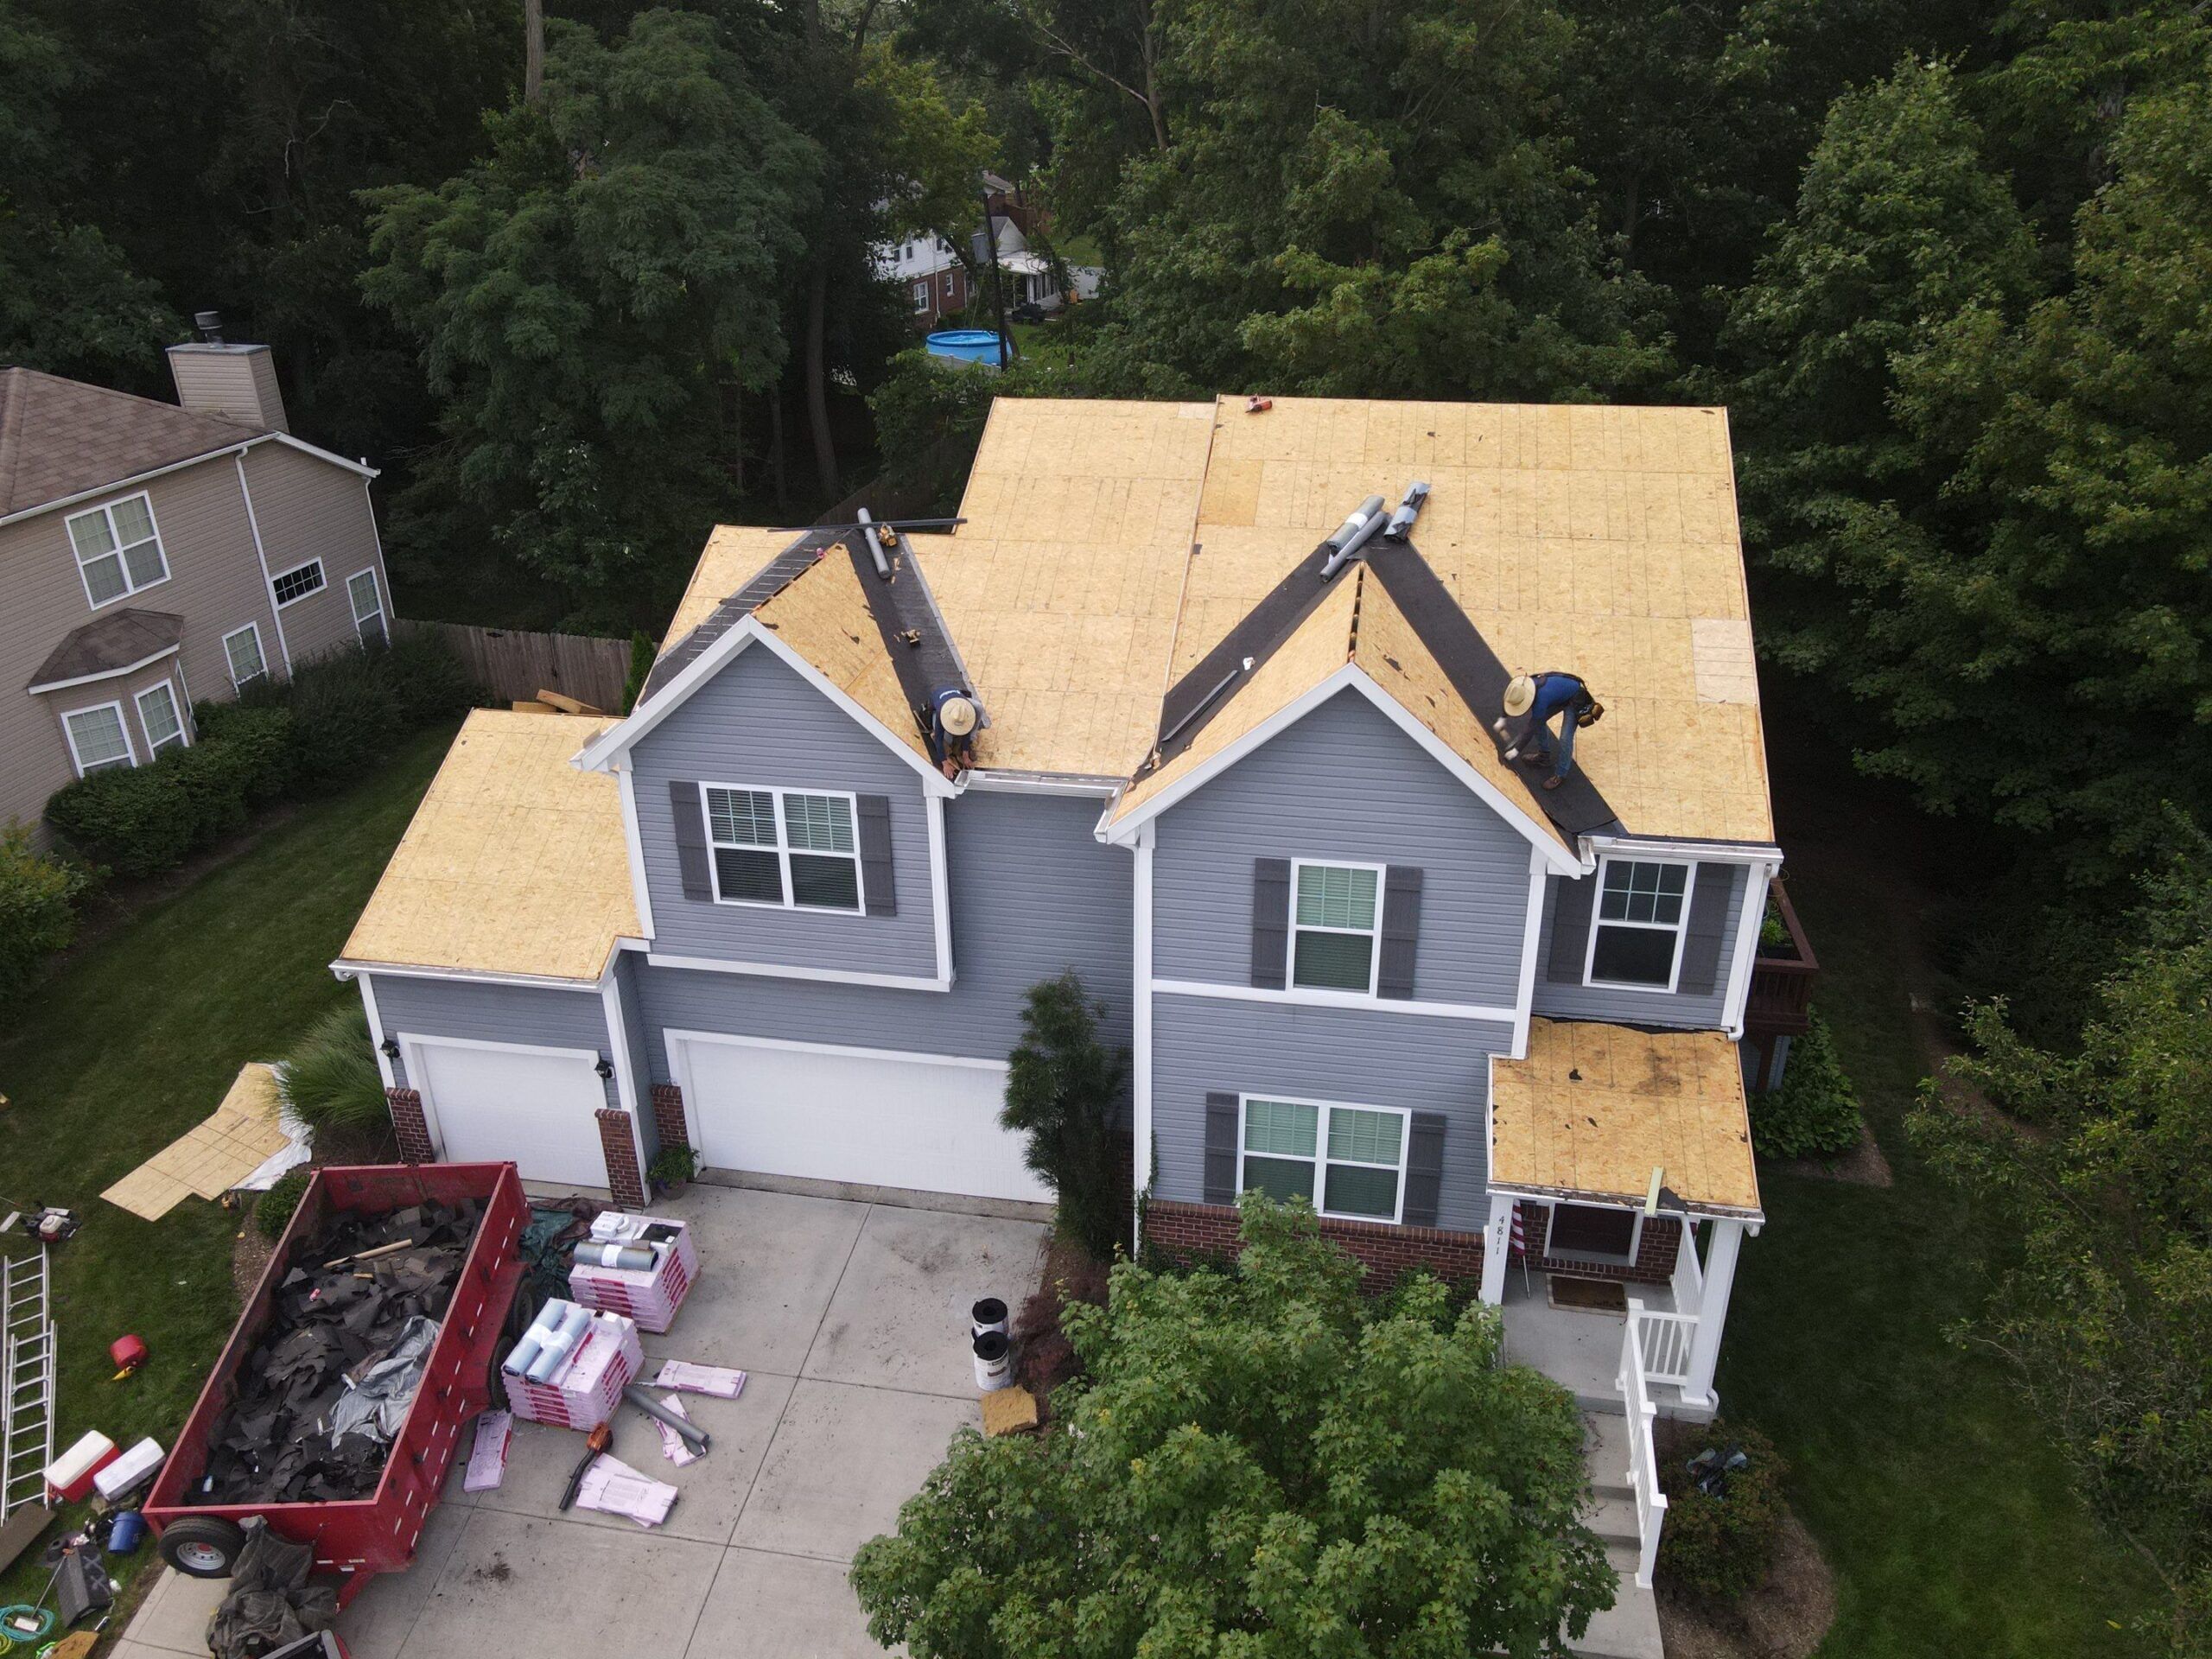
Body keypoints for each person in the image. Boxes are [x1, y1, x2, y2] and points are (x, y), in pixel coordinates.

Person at [1500, 671, 1597, 790]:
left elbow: (1531, 727)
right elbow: (1510, 700)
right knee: (1539, 723)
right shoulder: (1521, 687)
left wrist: (1516, 750)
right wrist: (1502, 718)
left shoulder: (1541, 699)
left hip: (1575, 699)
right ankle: (1544, 756)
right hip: (1559, 696)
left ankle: (1560, 775)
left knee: (1565, 738)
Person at [927, 686, 979, 779]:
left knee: (978, 707)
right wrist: (945, 763)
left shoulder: (965, 710)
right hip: (937, 706)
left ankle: (969, 742)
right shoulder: (941, 712)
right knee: (947, 739)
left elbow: (966, 730)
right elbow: (938, 738)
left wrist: (965, 756)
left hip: (957, 700)